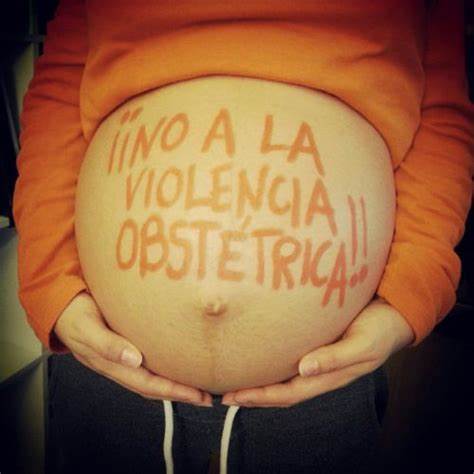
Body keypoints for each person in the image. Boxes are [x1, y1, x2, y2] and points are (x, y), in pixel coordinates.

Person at [12, 1, 473, 473]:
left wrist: (409, 297)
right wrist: (51, 283)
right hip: (110, 363)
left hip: (323, 379)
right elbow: (62, 86)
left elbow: (441, 109)